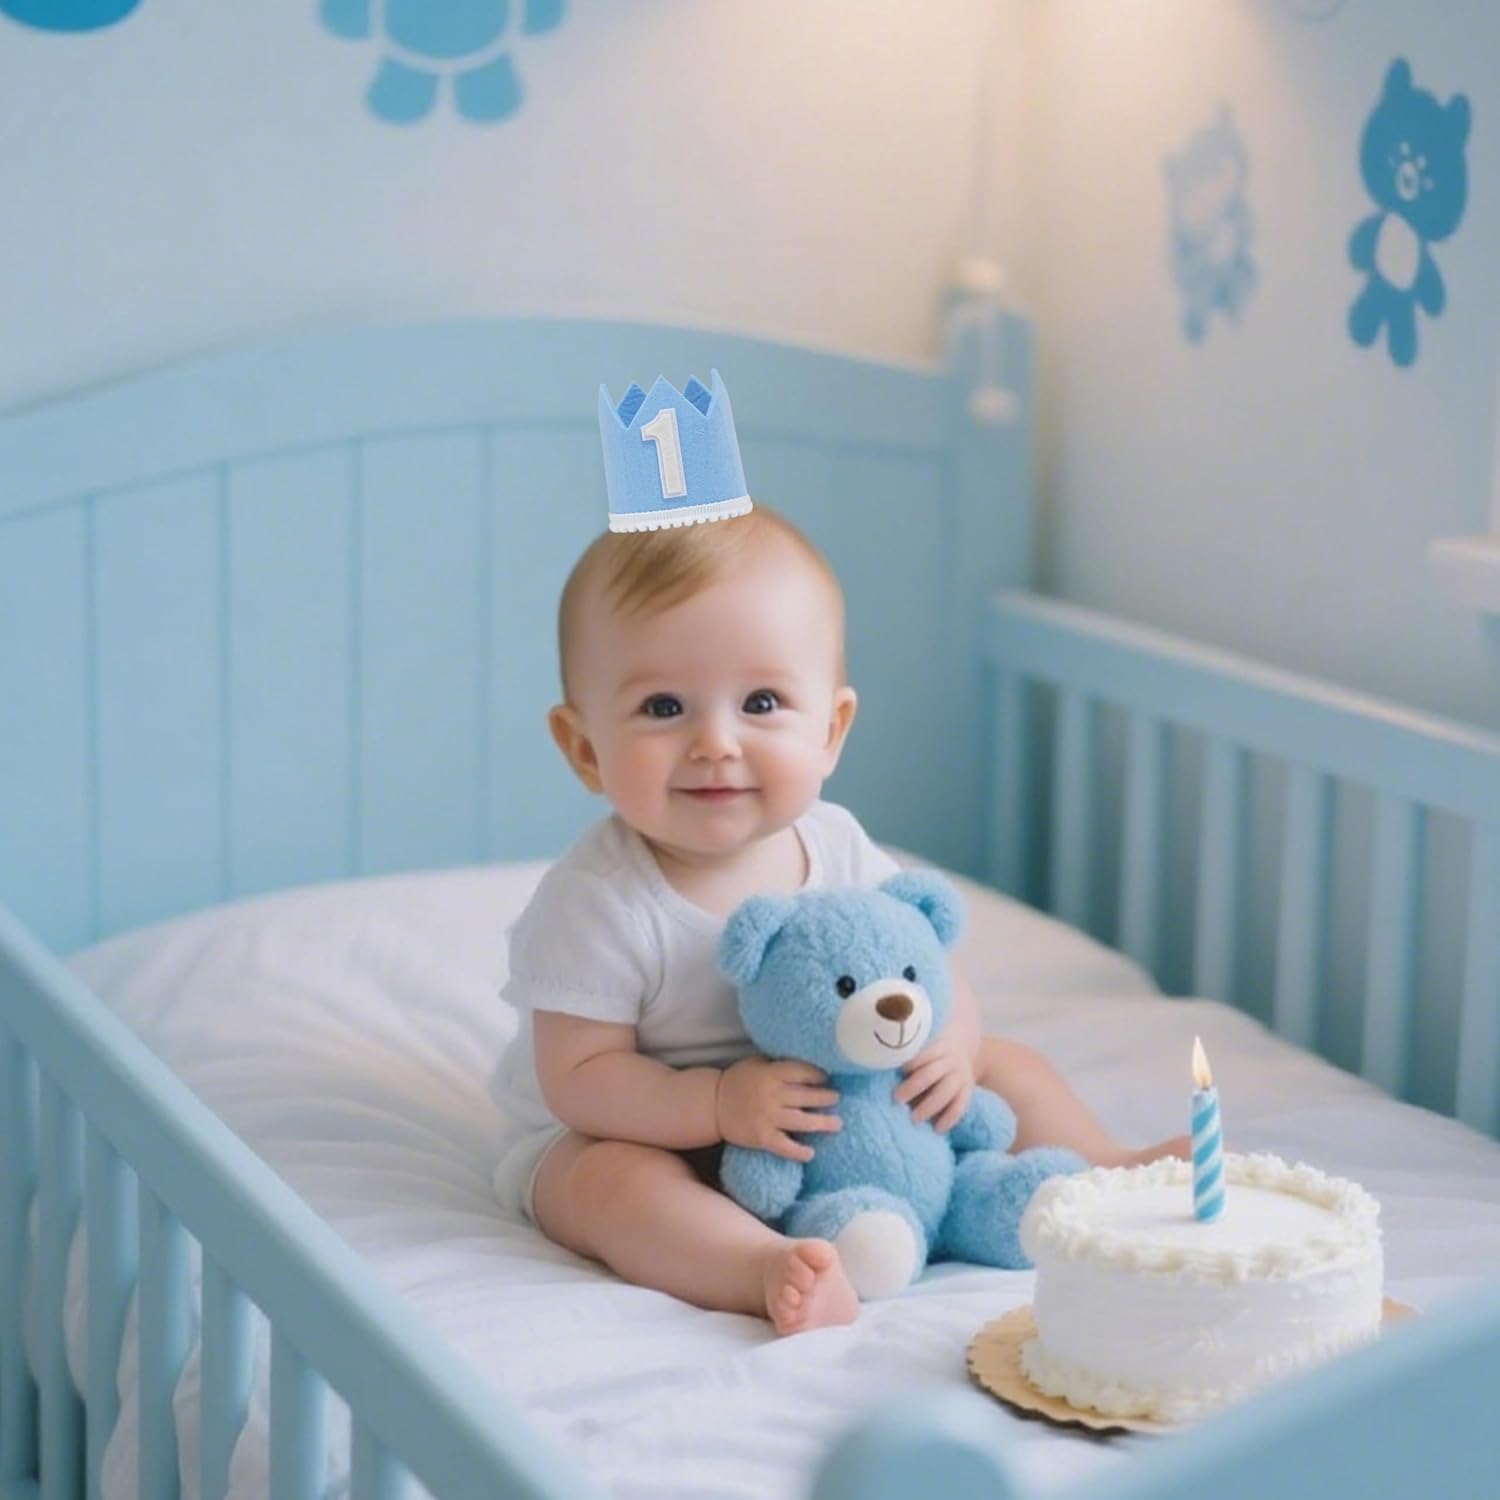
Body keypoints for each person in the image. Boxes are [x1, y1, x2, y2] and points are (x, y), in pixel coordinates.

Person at [490, 377, 1186, 1336]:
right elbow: (581, 1077)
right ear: (582, 748)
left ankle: (1100, 1173)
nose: (716, 742)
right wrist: (719, 1103)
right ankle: (763, 1266)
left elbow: (931, 973)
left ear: (832, 729)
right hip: (655, 1130)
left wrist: (955, 1045)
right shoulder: (601, 901)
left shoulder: (837, 844)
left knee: (1008, 1063)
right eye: (663, 708)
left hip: (847, 1113)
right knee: (601, 1185)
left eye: (763, 703)